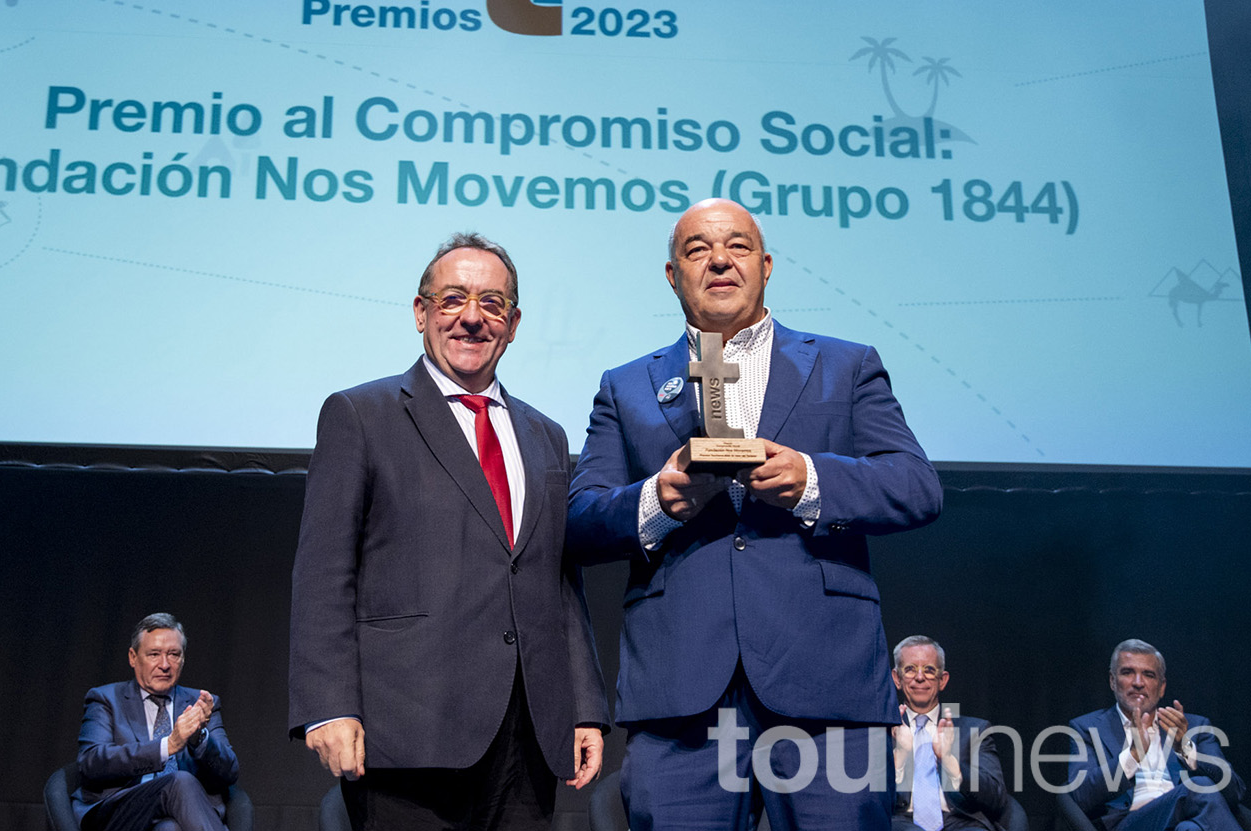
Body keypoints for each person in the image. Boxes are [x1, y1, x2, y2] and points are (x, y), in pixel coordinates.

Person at [567, 198, 943, 829]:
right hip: (680, 698)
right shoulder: (625, 384)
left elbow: (916, 486)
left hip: (827, 688)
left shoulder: (846, 365)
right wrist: (655, 502)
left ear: (765, 265)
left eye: (738, 246)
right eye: (697, 249)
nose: (719, 259)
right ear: (671, 274)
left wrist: (812, 479)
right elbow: (578, 520)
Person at [288, 232, 609, 830]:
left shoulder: (547, 435)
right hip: (407, 727)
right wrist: (327, 706)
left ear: (513, 325)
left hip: (528, 736)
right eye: (452, 299)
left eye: (491, 304)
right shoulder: (360, 414)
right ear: (420, 313)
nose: (471, 318)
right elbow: (324, 574)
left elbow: (559, 582)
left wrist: (584, 706)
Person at [72, 613, 240, 831]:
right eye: (154, 654)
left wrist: (199, 738)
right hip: (120, 812)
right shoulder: (106, 699)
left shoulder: (201, 704)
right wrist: (166, 747)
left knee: (169, 829)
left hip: (183, 816)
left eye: (173, 654)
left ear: (183, 659)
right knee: (180, 782)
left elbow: (229, 772)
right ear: (133, 657)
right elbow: (90, 763)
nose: (164, 665)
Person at [1066, 639, 1245, 831]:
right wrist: (1132, 756)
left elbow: (1234, 792)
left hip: (1186, 821)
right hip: (1130, 823)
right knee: (1198, 787)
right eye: (1127, 672)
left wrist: (1185, 749)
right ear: (1112, 681)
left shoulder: (1195, 726)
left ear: (1161, 687)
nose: (1138, 683)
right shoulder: (1087, 728)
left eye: (1148, 675)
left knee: (1189, 828)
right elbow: (1080, 797)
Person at [889, 636, 1008, 831]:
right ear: (897, 678)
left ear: (942, 680)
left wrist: (950, 762)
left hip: (961, 821)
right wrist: (900, 757)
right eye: (910, 669)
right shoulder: (882, 731)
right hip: (901, 822)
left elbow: (997, 800)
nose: (920, 677)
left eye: (929, 670)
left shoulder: (975, 730)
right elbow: (865, 802)